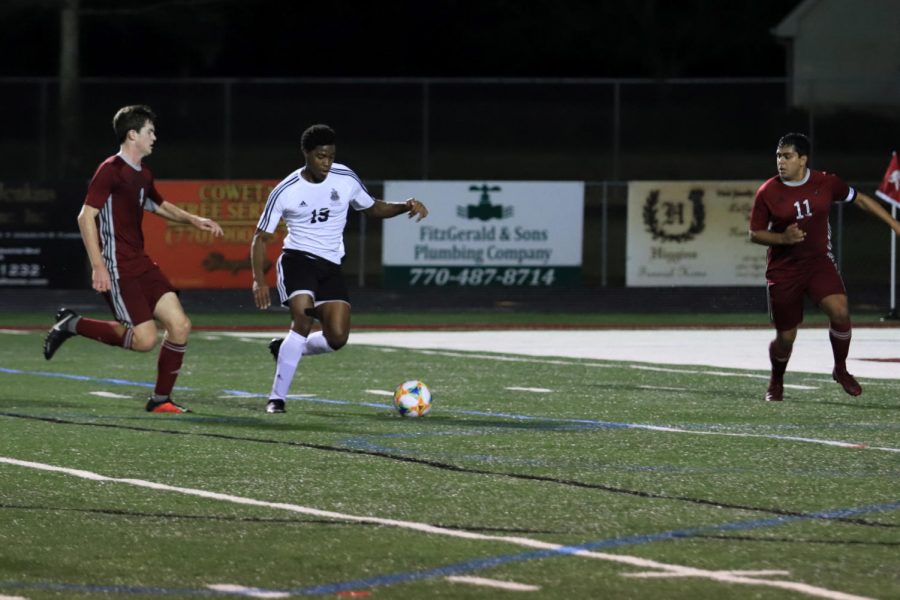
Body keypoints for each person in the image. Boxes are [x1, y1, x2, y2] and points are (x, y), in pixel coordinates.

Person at [43, 104, 224, 413]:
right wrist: (98, 264)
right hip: (117, 266)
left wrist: (194, 219)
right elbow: (85, 217)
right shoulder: (110, 169)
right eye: (149, 131)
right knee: (144, 340)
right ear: (132, 134)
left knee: (180, 325)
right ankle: (72, 324)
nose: (154, 137)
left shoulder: (143, 173)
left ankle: (160, 400)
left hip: (141, 262)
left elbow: (159, 206)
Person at [251, 124, 428, 414]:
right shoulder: (286, 190)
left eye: (331, 156)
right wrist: (259, 281)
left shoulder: (344, 178)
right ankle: (277, 398)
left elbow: (372, 207)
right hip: (298, 260)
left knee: (337, 337)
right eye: (321, 156)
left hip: (331, 266)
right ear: (306, 154)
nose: (327, 163)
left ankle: (284, 349)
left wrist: (404, 205)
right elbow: (260, 238)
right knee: (303, 319)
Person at [749, 132, 900, 402]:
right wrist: (782, 238)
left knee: (840, 311)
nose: (781, 162)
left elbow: (862, 200)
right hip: (784, 270)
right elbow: (755, 233)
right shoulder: (767, 192)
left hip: (818, 262)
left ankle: (840, 369)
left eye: (787, 156)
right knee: (786, 337)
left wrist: (894, 223)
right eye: (778, 156)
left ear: (803, 159)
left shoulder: (826, 182)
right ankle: (777, 379)